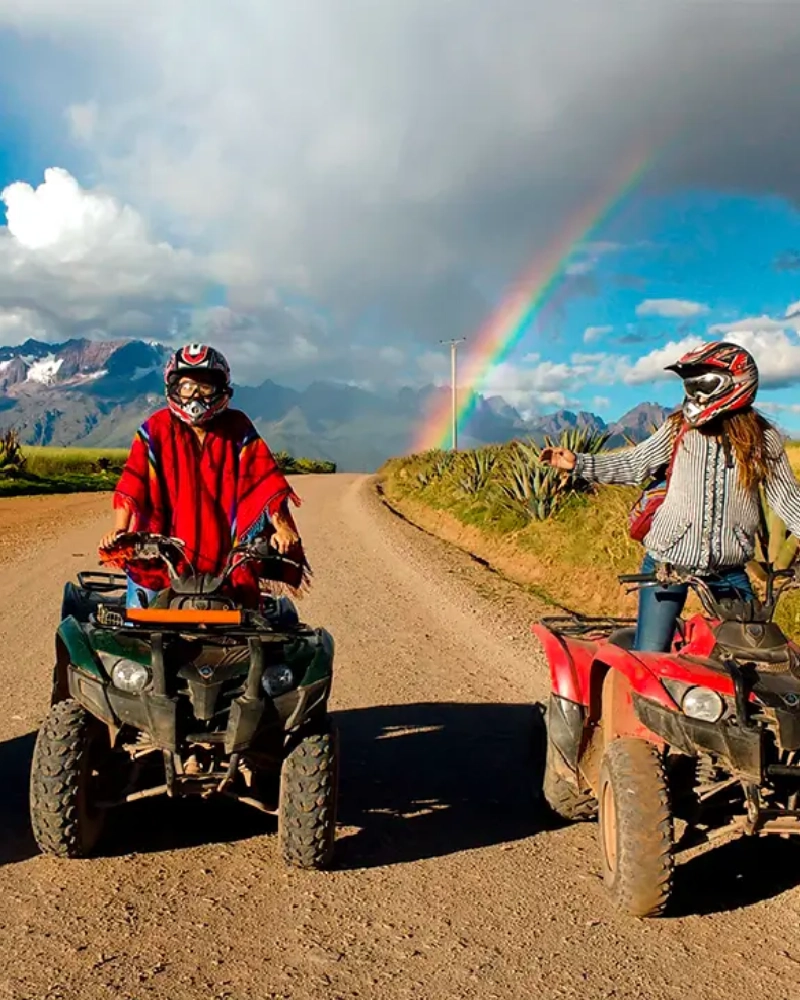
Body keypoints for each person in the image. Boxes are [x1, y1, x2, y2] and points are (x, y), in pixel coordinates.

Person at [540, 341, 800, 651]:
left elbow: (786, 498)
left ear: (738, 381)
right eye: (691, 384)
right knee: (651, 655)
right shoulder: (680, 428)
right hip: (667, 563)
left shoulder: (763, 439)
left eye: (704, 382)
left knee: (751, 656)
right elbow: (636, 463)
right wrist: (580, 463)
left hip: (728, 572)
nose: (695, 393)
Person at [99, 343, 309, 608]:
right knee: (140, 623)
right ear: (174, 388)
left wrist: (283, 529)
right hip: (164, 556)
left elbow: (263, 481)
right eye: (187, 387)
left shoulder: (238, 428)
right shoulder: (156, 428)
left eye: (205, 387)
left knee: (251, 626)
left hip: (226, 557)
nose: (195, 395)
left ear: (220, 389)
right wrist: (120, 530)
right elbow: (134, 482)